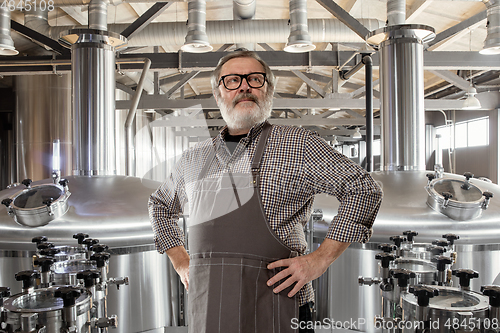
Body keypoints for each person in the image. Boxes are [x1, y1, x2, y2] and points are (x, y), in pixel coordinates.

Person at [148, 49, 383, 333]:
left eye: (255, 79)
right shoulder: (193, 158)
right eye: (232, 80)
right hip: (209, 307)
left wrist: (319, 260)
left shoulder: (299, 145)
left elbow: (364, 188)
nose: (245, 86)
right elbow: (159, 205)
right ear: (218, 94)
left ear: (268, 90)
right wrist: (180, 261)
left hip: (278, 304)